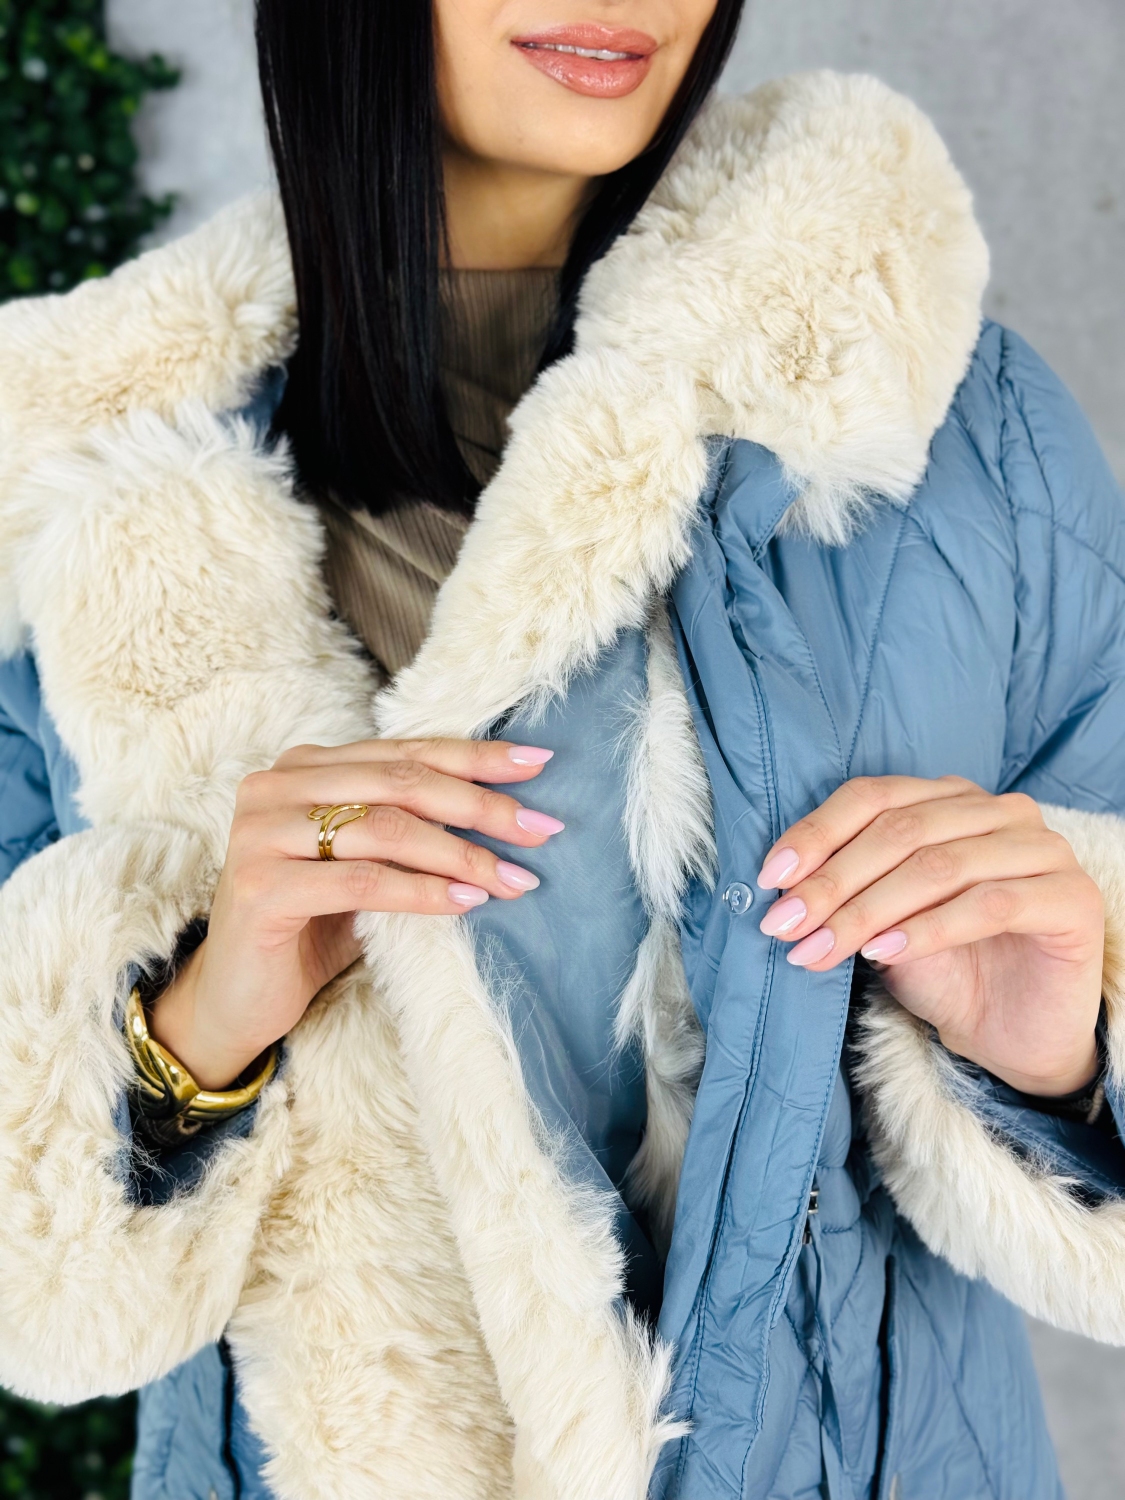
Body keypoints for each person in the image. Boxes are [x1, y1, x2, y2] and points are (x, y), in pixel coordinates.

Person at [0, 0, 1123, 1495]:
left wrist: (1059, 1059)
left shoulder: (954, 425)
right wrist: (196, 1022)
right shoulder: (70, 483)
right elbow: (33, 1269)